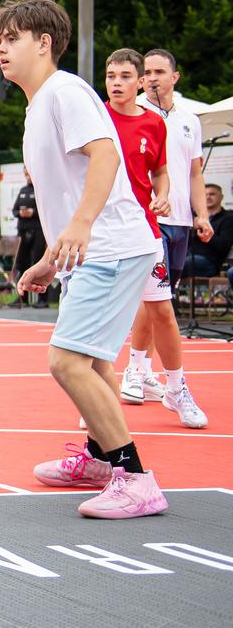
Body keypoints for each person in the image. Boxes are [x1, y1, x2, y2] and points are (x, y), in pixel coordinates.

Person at [0, 0, 166, 518]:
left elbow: (106, 156)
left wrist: (85, 225)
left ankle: (135, 479)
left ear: (44, 43)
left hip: (111, 247)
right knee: (89, 361)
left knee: (66, 362)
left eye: (11, 37)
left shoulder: (65, 92)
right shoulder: (37, 105)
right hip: (95, 253)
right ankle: (98, 457)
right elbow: (64, 196)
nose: (0, 47)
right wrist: (51, 258)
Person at [102, 49, 207, 428]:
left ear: (139, 82)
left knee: (162, 310)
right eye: (111, 75)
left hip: (147, 231)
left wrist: (162, 192)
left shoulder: (154, 124)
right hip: (101, 234)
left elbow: (161, 172)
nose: (117, 82)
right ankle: (97, 398)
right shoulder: (95, 118)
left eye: (125, 76)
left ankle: (176, 390)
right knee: (101, 317)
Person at [124, 47, 216, 404]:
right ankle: (134, 369)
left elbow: (194, 172)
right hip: (149, 220)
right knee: (154, 300)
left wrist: (201, 215)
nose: (151, 78)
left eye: (159, 72)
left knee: (162, 298)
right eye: (146, 72)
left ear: (174, 78)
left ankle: (145, 371)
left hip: (180, 221)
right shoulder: (135, 114)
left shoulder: (190, 120)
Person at [11, 167, 47, 307]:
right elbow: (14, 210)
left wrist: (33, 212)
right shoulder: (22, 191)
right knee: (21, 263)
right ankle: (22, 297)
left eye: (29, 174)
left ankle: (42, 299)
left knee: (39, 263)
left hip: (38, 231)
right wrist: (21, 213)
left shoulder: (41, 190)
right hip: (23, 231)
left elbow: (47, 210)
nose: (27, 176)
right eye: (25, 174)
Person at [182, 183, 232, 279]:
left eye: (212, 194)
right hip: (189, 258)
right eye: (205, 195)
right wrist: (190, 228)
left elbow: (223, 246)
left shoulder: (227, 218)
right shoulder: (194, 218)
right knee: (171, 262)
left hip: (210, 263)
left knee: (182, 264)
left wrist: (203, 229)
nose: (208, 197)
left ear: (221, 197)